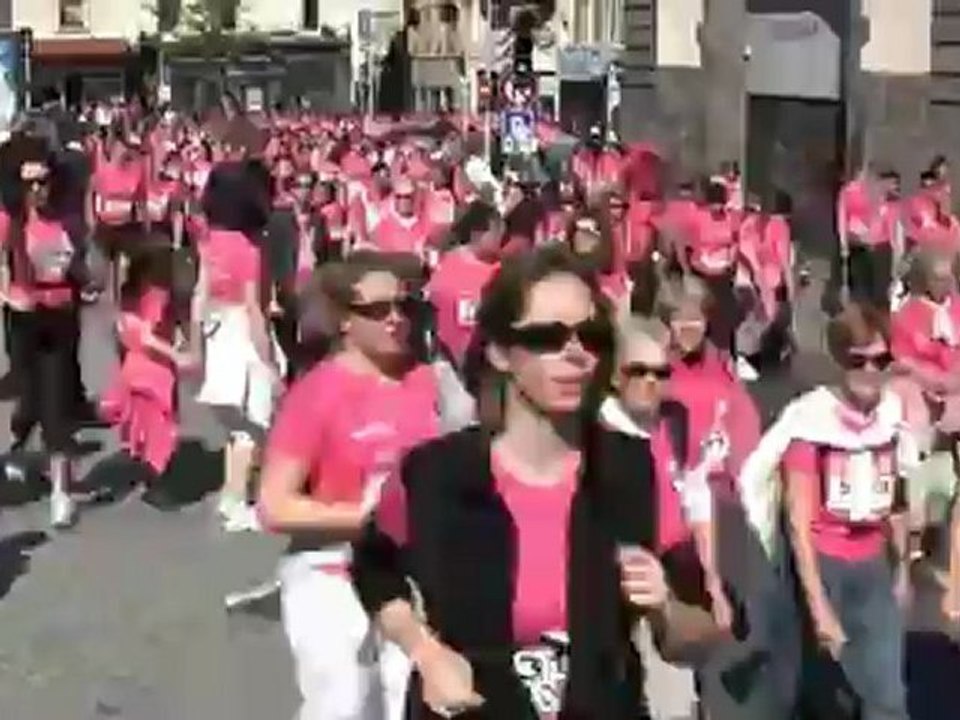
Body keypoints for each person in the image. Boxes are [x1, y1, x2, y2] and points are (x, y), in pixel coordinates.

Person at [350, 245, 724, 719]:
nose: (575, 354)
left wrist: (665, 609)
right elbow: (374, 569)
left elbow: (699, 635)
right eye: (548, 337)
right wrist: (426, 652)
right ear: (501, 352)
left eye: (590, 336)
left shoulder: (632, 470)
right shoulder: (435, 474)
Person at [257, 252, 445, 720]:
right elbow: (274, 506)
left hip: (411, 573)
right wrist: (359, 517)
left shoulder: (427, 381)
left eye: (402, 306)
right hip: (330, 572)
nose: (395, 320)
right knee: (343, 705)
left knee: (408, 701)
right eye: (377, 310)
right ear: (344, 320)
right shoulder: (317, 393)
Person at [744, 304, 910, 719]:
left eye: (881, 360)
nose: (871, 371)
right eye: (859, 360)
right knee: (829, 697)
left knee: (888, 693)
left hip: (874, 564)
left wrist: (903, 569)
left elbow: (898, 500)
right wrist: (819, 606)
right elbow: (799, 525)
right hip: (825, 567)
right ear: (840, 361)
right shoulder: (810, 421)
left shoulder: (891, 415)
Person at [195, 159, 281, 532]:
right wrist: (271, 362)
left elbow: (200, 293)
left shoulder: (209, 240)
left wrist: (196, 338)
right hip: (243, 331)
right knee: (254, 424)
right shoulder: (249, 248)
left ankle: (231, 496)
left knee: (235, 426)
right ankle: (238, 501)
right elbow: (254, 308)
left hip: (216, 328)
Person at [0, 144, 83, 527]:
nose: (38, 190)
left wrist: (87, 279)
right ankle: (18, 449)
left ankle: (61, 493)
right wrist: (8, 293)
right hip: (23, 321)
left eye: (44, 181)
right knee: (27, 391)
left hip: (61, 319)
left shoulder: (68, 220)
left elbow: (83, 266)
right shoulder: (9, 220)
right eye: (30, 182)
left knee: (56, 403)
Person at [100, 248, 196, 509]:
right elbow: (147, 336)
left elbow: (128, 331)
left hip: (135, 367)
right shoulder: (157, 295)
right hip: (155, 372)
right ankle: (157, 484)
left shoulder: (129, 295)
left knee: (144, 426)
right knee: (161, 429)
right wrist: (178, 355)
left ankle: (147, 475)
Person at [426, 200, 502, 367]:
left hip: (487, 364)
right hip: (449, 361)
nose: (501, 238)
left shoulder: (502, 270)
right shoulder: (448, 265)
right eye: (496, 231)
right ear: (477, 234)